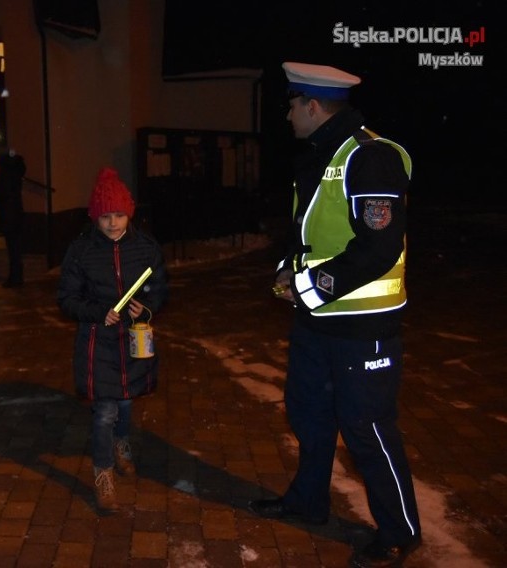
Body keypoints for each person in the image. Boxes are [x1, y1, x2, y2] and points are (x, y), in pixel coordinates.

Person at [248, 62, 421, 568]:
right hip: (317, 322)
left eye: (291, 105)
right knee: (309, 415)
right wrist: (289, 268)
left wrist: (311, 286)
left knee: (367, 430)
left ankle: (399, 531)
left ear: (313, 106)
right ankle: (308, 501)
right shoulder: (323, 155)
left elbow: (379, 247)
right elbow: (312, 232)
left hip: (363, 327)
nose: (286, 114)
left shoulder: (370, 158)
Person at [57, 167, 168, 513]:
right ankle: (103, 473)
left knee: (125, 403)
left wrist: (145, 308)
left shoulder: (145, 247)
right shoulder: (81, 250)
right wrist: (96, 311)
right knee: (104, 410)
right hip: (98, 343)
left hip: (132, 342)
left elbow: (161, 290)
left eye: (119, 214)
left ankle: (122, 442)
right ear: (95, 217)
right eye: (105, 216)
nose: (113, 223)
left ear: (129, 213)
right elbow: (67, 298)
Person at [0, 140, 26, 288]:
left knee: (13, 246)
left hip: (9, 212)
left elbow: (4, 190)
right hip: (15, 210)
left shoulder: (6, 168)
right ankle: (16, 276)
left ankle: (15, 277)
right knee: (15, 246)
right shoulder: (15, 166)